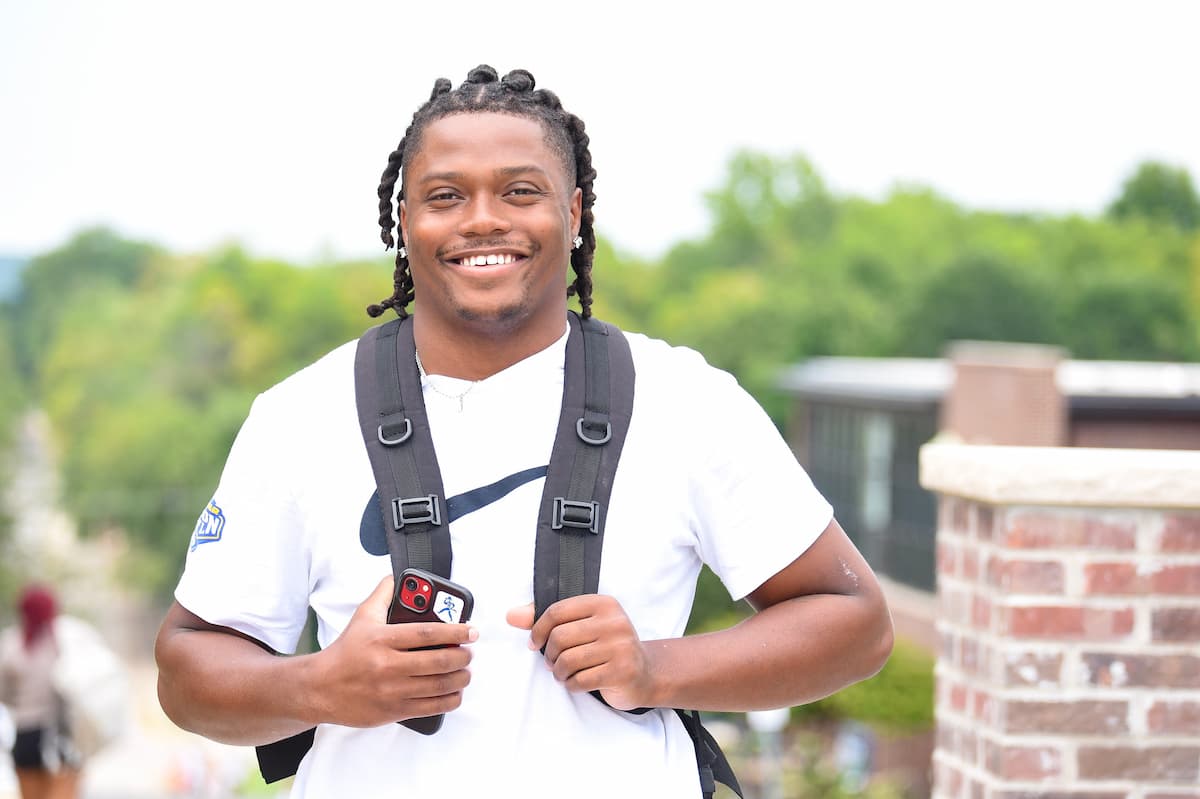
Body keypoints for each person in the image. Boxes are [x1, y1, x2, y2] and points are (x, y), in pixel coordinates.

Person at [154, 65, 894, 798]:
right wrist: (322, 682)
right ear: (403, 217)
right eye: (446, 196)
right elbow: (186, 670)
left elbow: (855, 623)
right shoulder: (298, 418)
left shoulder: (688, 403)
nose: (482, 218)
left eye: (520, 190)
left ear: (573, 213)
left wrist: (654, 667)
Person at [0, 586, 81, 799]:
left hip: (26, 736)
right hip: (61, 735)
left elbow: (3, 693)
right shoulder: (64, 642)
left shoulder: (11, 644)